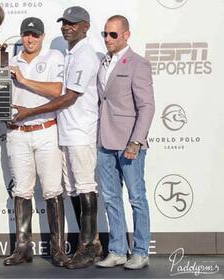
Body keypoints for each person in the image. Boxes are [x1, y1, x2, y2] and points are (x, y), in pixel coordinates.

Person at [11, 6, 103, 269]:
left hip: (79, 131)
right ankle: (88, 243)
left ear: (85, 26)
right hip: (65, 131)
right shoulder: (71, 53)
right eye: (64, 23)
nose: (67, 27)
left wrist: (30, 110)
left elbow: (67, 96)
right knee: (73, 188)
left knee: (84, 187)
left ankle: (88, 246)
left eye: (73, 23)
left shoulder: (82, 55)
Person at [2, 17, 68, 267]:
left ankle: (58, 249)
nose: (30, 39)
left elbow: (57, 90)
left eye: (35, 35)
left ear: (42, 36)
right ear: (21, 36)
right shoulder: (9, 61)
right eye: (26, 34)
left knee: (52, 189)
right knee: (21, 190)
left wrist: (23, 79)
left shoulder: (54, 57)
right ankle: (22, 248)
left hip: (45, 130)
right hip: (17, 132)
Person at [94, 15, 155, 270]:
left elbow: (147, 106)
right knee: (110, 198)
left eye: (113, 35)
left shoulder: (138, 64)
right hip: (104, 141)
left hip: (129, 143)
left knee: (137, 198)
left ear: (126, 35)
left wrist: (136, 141)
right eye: (105, 34)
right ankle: (118, 250)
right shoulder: (103, 62)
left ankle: (140, 251)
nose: (108, 39)